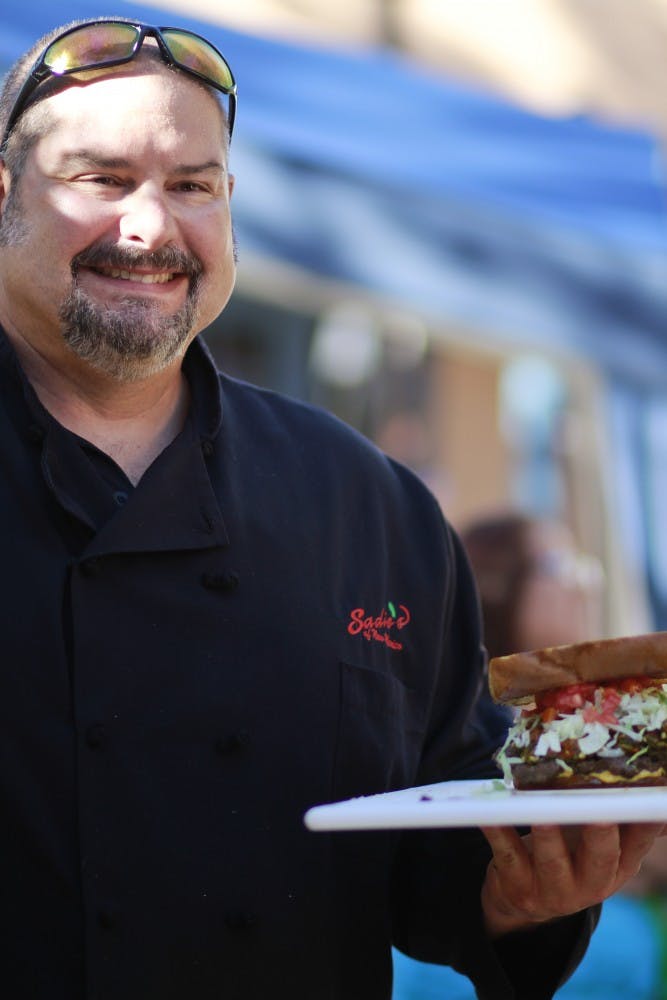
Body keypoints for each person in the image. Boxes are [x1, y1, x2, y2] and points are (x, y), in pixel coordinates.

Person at [0, 18, 662, 1000]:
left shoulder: (369, 503)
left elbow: (444, 836)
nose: (149, 228)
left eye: (192, 185)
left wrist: (521, 892)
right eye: (100, 179)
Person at [393, 512, 663, 1000]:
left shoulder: (591, 715)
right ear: (497, 582)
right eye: (561, 566)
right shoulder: (466, 732)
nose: (583, 586)